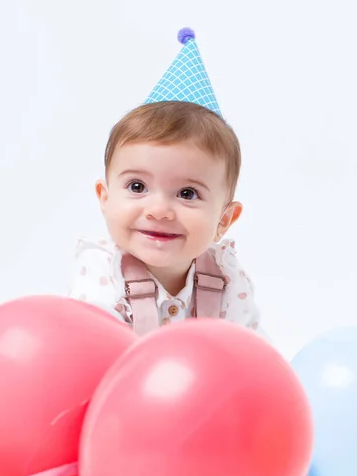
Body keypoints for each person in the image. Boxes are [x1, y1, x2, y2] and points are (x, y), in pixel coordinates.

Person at [69, 28, 265, 338]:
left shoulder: (227, 276)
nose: (159, 210)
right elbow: (92, 350)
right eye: (137, 187)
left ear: (224, 219)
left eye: (187, 193)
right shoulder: (103, 269)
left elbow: (250, 352)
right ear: (104, 198)